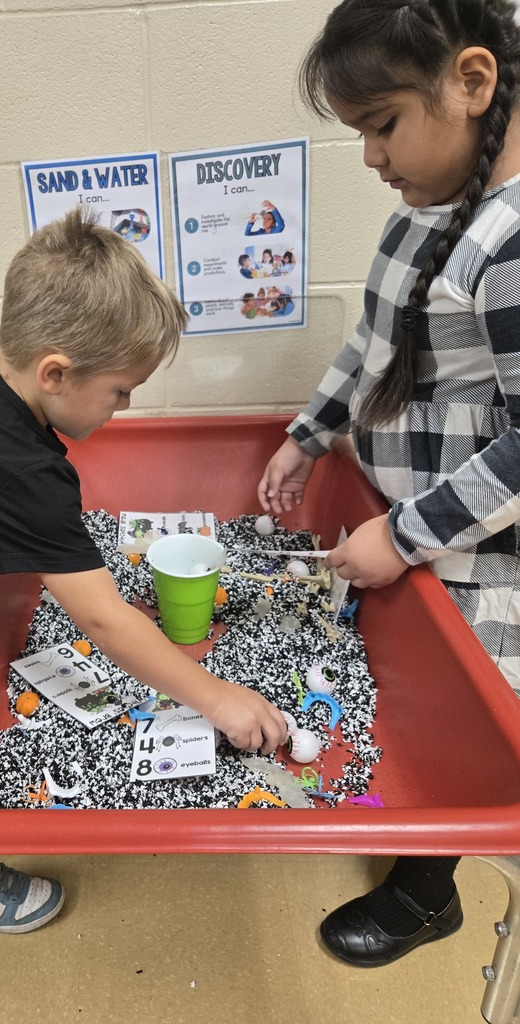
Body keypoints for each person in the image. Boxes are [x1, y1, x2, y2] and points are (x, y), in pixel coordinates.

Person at [0, 207, 287, 938]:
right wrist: (215, 698)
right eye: (120, 391)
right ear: (56, 372)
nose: (125, 405)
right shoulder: (23, 473)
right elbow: (103, 618)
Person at [258, 0, 520, 970]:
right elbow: (373, 345)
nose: (371, 156)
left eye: (382, 124)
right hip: (398, 520)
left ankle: (426, 891)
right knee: (390, 684)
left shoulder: (511, 240)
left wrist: (402, 537)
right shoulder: (428, 216)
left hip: (476, 551)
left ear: (474, 83)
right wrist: (307, 436)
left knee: (459, 718)